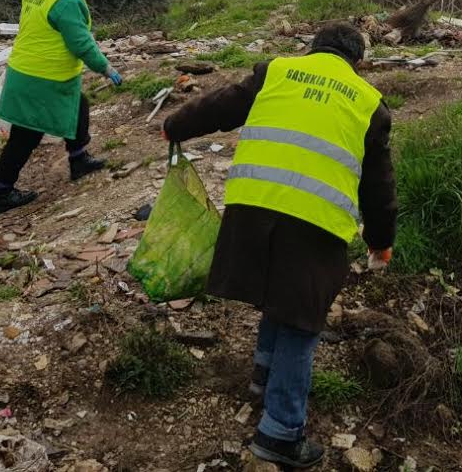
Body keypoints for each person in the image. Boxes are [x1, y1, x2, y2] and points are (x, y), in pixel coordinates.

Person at [164, 23, 397, 469]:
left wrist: (174, 126)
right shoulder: (369, 102)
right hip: (316, 224)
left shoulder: (277, 71)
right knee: (300, 321)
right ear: (359, 63)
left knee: (280, 296)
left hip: (251, 208)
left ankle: (264, 376)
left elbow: (220, 105)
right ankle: (281, 432)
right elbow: (379, 186)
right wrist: (380, 241)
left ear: (311, 49)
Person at [0, 0, 122, 214]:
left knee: (78, 106)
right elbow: (80, 42)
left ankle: (78, 158)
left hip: (24, 72)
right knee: (26, 135)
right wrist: (105, 68)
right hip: (45, 77)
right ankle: (2, 192)